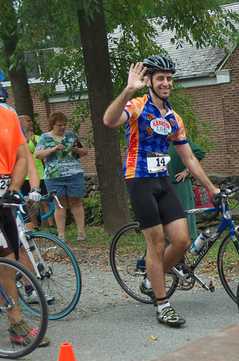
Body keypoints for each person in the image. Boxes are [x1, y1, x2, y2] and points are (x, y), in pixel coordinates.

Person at [102, 55, 220, 328]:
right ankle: (162, 303)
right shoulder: (137, 105)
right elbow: (109, 120)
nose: (166, 83)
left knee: (181, 241)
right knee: (155, 244)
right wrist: (128, 90)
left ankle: (150, 279)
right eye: (160, 78)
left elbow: (189, 158)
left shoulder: (173, 118)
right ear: (150, 82)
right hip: (139, 179)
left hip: (162, 180)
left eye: (169, 78)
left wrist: (212, 188)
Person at [0, 104, 48, 347]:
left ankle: (16, 327)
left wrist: (14, 189)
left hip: (2, 198)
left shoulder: (7, 115)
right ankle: (16, 320)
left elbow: (21, 157)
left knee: (8, 258)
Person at [34, 112, 88, 241]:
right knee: (60, 204)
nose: (63, 127)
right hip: (54, 176)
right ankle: (61, 234)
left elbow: (84, 151)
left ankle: (81, 232)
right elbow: (38, 154)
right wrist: (53, 149)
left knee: (76, 201)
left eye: (64, 125)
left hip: (74, 174)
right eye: (59, 125)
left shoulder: (71, 136)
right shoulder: (44, 138)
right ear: (52, 125)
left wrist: (75, 150)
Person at [18, 114, 52, 229]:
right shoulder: (17, 139)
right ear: (20, 122)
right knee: (28, 203)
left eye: (31, 120)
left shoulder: (38, 138)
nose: (30, 123)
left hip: (40, 174)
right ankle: (35, 226)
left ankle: (50, 226)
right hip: (24, 177)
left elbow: (42, 154)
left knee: (44, 201)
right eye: (27, 121)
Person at [168, 139, 205, 239]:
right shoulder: (158, 142)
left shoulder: (178, 140)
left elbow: (199, 152)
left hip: (180, 185)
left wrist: (187, 171)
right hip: (165, 185)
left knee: (185, 213)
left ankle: (189, 240)